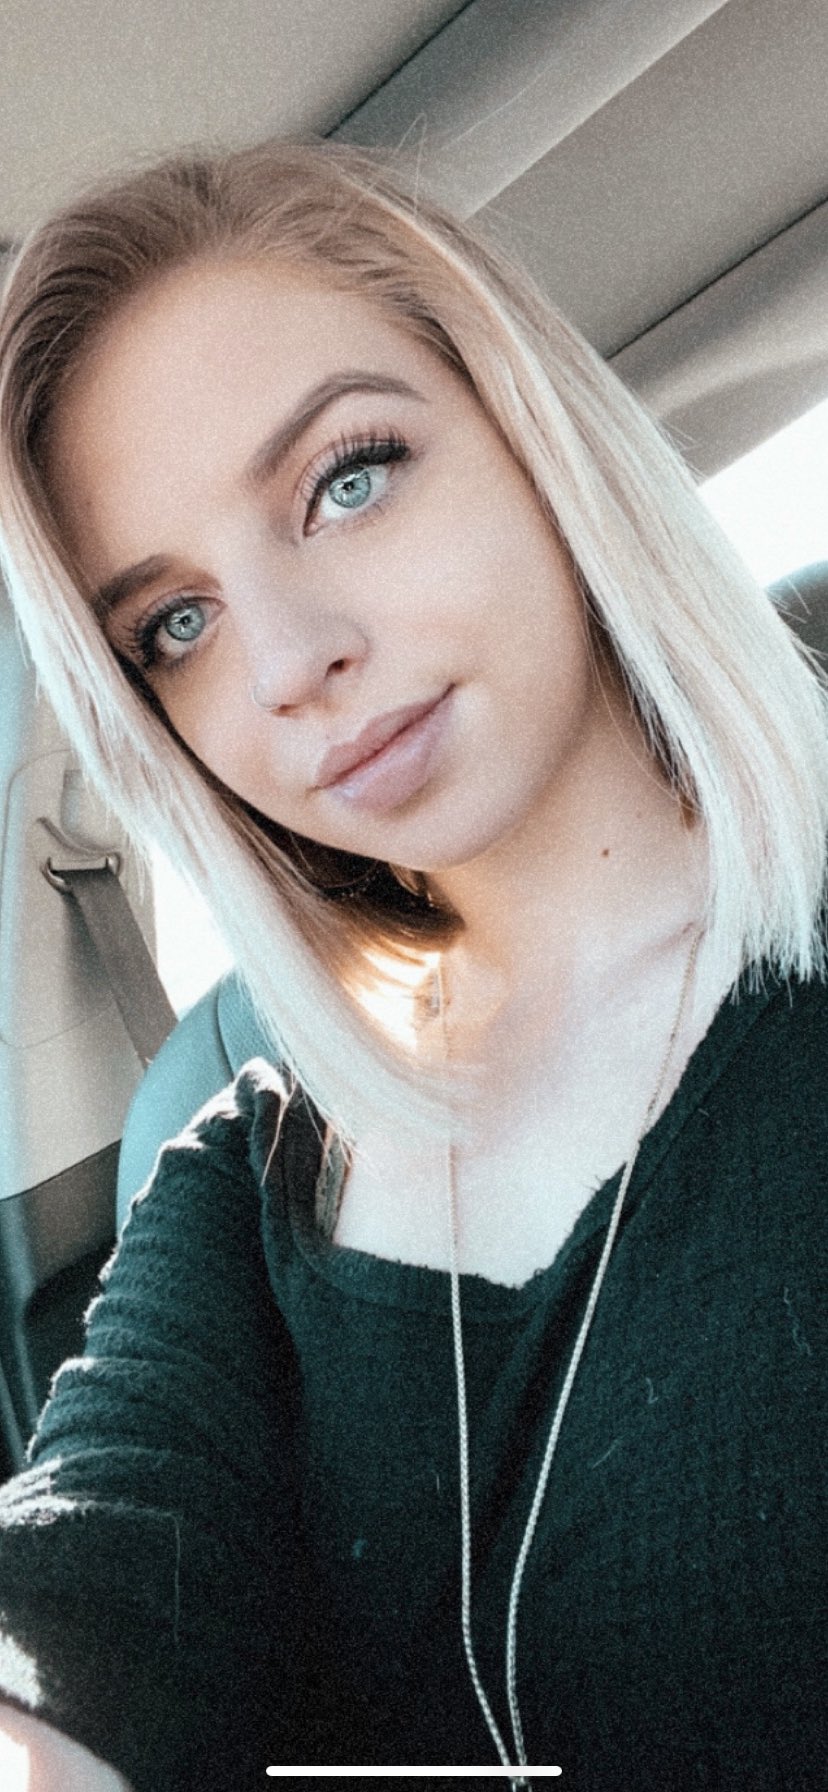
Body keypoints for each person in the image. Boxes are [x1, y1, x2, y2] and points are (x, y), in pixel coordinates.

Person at [0, 139, 824, 1792]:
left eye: (348, 479)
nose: (291, 660)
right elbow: (82, 1593)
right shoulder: (246, 1174)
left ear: (532, 425)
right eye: (175, 624)